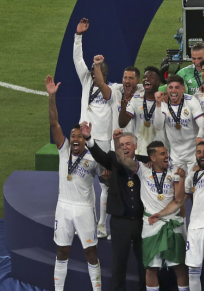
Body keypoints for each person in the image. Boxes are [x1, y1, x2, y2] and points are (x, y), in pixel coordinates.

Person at [44, 76, 106, 291]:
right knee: (62, 251)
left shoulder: (92, 157)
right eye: (73, 135)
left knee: (91, 252)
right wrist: (51, 96)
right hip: (63, 207)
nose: (75, 138)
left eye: (80, 136)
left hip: (84, 209)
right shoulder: (63, 153)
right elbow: (54, 124)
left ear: (85, 139)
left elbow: (105, 175)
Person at [114, 134, 190, 291]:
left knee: (179, 267)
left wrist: (182, 178)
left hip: (172, 224)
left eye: (167, 153)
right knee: (150, 268)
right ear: (152, 158)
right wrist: (117, 143)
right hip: (150, 226)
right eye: (163, 153)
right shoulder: (143, 171)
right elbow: (122, 159)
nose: (167, 156)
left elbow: (179, 200)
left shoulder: (176, 172)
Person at [81, 123, 151, 291]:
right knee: (118, 264)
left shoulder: (145, 162)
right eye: (121, 144)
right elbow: (99, 155)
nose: (125, 147)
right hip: (119, 221)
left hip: (141, 221)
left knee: (144, 264)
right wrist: (88, 139)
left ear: (136, 146)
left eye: (128, 144)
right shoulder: (113, 159)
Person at [74, 18, 113, 239]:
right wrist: (78, 36)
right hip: (84, 140)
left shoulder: (112, 91)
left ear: (104, 75)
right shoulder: (86, 81)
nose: (91, 73)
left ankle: (101, 225)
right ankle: (87, 223)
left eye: (96, 71)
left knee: (106, 184)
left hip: (103, 142)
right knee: (83, 182)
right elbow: (77, 59)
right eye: (91, 70)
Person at [156, 74, 204, 174]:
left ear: (183, 89)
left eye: (177, 87)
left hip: (193, 153)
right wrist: (158, 104)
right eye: (170, 87)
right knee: (177, 185)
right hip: (175, 155)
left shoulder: (191, 101)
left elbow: (202, 125)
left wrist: (199, 137)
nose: (173, 90)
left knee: (192, 185)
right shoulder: (163, 104)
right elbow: (158, 125)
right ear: (167, 89)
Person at [118, 67, 168, 155]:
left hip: (159, 152)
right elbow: (122, 123)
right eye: (145, 77)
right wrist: (124, 104)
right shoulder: (136, 99)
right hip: (139, 152)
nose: (146, 79)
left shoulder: (165, 101)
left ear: (158, 82)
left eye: (151, 77)